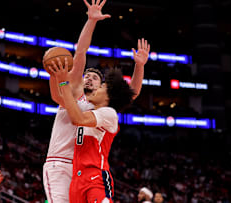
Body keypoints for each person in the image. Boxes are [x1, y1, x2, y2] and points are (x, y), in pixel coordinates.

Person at [42, 0, 150, 202]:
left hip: (81, 169)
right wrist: (91, 21)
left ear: (103, 89)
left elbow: (131, 93)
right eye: (87, 75)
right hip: (59, 162)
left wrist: (139, 66)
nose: (89, 78)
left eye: (96, 78)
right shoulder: (74, 94)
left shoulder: (102, 108)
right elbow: (81, 52)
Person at [49, 57, 136, 202]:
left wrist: (64, 83)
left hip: (95, 177)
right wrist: (56, 77)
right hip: (77, 179)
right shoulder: (88, 110)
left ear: (109, 96)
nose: (97, 89)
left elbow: (77, 118)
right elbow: (61, 100)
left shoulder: (109, 113)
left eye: (101, 87)